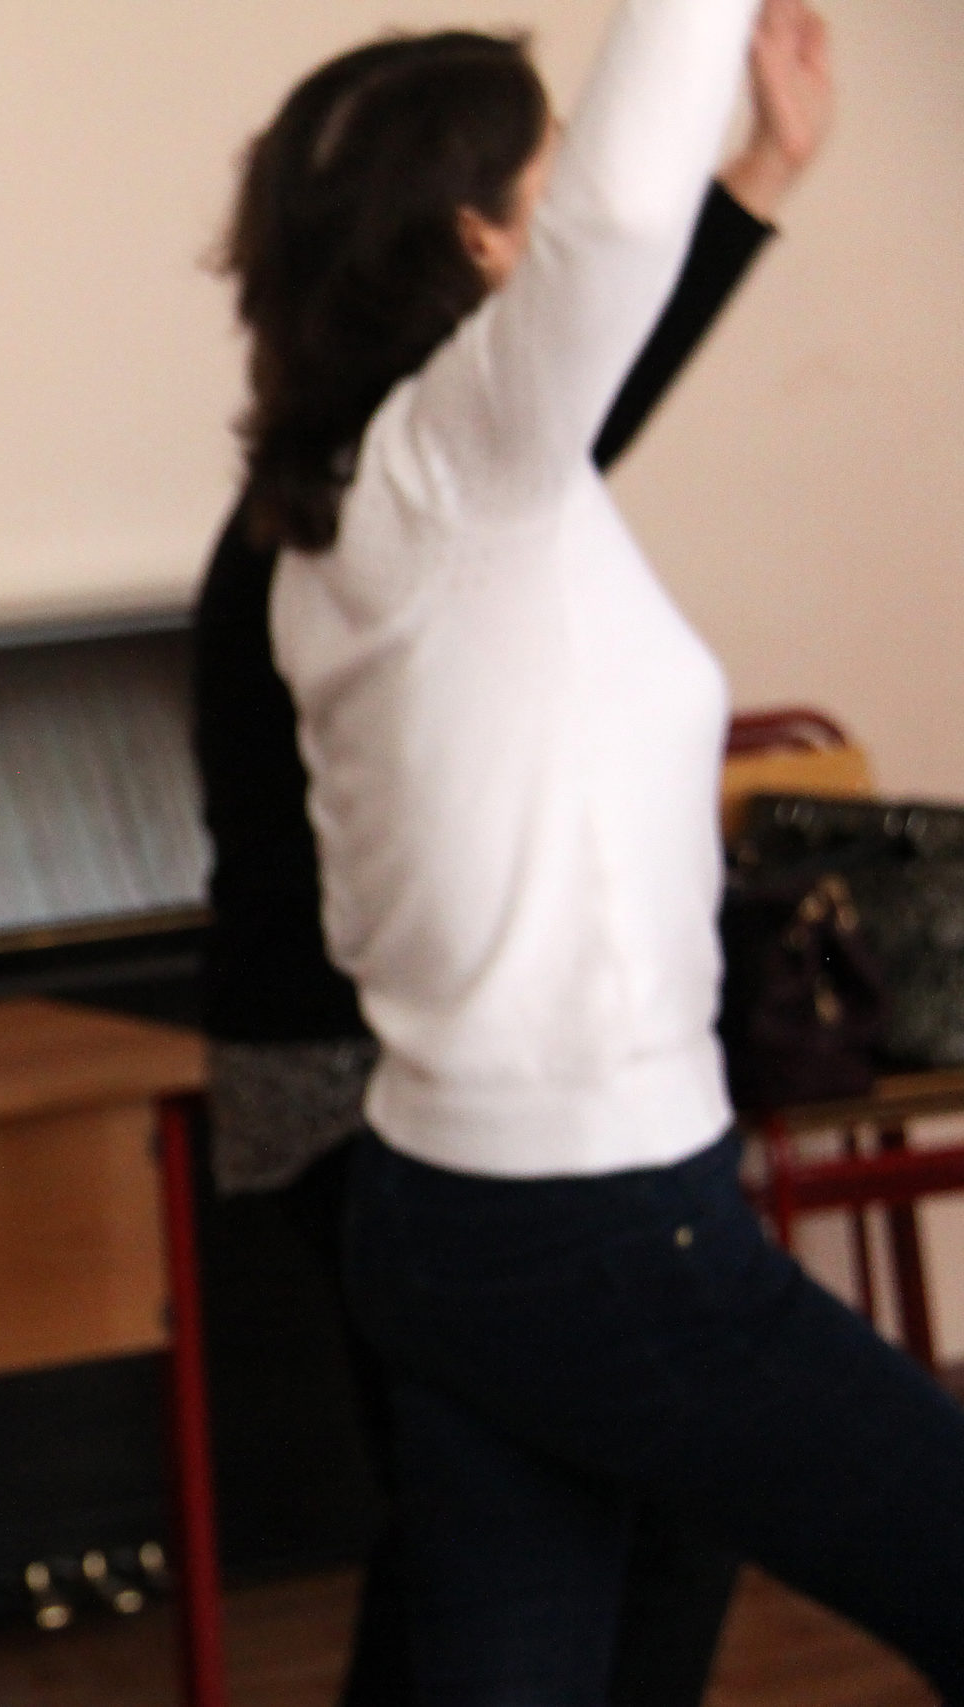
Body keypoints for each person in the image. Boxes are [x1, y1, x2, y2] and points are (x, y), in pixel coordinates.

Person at [235, 0, 964, 1695]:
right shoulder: (460, 473)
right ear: (479, 240)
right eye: (542, 173)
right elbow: (627, 222)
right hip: (597, 1224)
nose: (575, 202)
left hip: (454, 1211)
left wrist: (764, 169)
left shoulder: (358, 508)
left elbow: (624, 269)